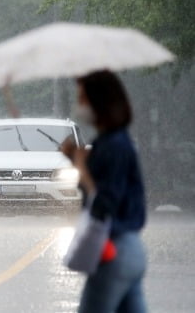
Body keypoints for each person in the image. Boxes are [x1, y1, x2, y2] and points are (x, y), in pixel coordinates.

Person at [62, 70, 147, 313]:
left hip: (114, 251)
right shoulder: (109, 142)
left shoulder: (114, 146)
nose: (79, 105)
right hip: (130, 250)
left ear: (98, 103)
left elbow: (103, 204)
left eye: (82, 99)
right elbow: (94, 189)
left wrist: (80, 166)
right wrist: (74, 160)